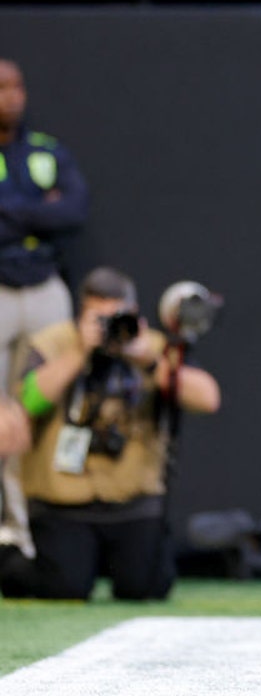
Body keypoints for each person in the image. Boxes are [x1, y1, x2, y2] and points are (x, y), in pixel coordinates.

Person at [0, 266, 221, 601]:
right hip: (65, 501)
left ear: (134, 312)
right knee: (63, 588)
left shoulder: (153, 347)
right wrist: (79, 353)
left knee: (147, 587)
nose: (108, 328)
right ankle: (6, 552)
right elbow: (28, 401)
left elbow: (207, 399)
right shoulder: (53, 343)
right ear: (81, 315)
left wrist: (148, 361)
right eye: (98, 319)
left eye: (116, 317)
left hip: (132, 501)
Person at [0, 57, 90, 562]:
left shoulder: (46, 151)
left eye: (17, 86)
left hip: (44, 288)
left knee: (40, 406)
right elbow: (51, 213)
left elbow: (72, 212)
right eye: (1, 87)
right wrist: (38, 210)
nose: (11, 96)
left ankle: (33, 531)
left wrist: (8, 210)